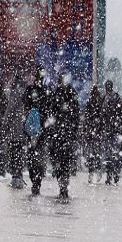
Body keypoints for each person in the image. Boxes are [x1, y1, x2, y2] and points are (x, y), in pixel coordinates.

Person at [50, 71, 80, 199]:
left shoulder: (69, 93)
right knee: (59, 161)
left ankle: (64, 187)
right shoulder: (58, 93)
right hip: (60, 134)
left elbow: (75, 114)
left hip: (65, 134)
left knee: (65, 162)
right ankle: (62, 186)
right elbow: (52, 112)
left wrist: (73, 129)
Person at [23, 66, 51, 196]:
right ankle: (36, 182)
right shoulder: (43, 91)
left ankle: (36, 182)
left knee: (34, 158)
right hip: (38, 131)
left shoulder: (35, 90)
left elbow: (25, 106)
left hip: (36, 132)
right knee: (35, 158)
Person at [101, 80, 122, 185]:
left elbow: (101, 114)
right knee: (114, 154)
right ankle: (114, 175)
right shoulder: (116, 97)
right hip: (114, 130)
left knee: (109, 155)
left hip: (110, 130)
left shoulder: (106, 98)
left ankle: (110, 176)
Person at [5, 74, 26, 189]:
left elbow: (9, 112)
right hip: (22, 130)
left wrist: (5, 126)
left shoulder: (14, 95)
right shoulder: (25, 94)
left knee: (14, 153)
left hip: (14, 130)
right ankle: (19, 175)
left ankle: (16, 177)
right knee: (19, 153)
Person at [83, 85, 103, 183]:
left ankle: (95, 173)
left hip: (94, 133)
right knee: (93, 155)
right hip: (93, 133)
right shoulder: (94, 103)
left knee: (95, 154)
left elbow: (100, 117)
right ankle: (93, 173)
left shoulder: (96, 103)